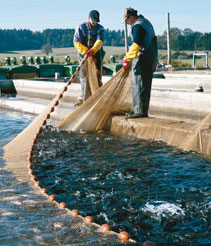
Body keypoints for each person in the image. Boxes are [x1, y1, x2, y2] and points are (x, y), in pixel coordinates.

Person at [122, 7, 158, 118]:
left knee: (138, 83)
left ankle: (139, 112)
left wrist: (127, 59)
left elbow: (136, 45)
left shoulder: (137, 26)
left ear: (131, 17)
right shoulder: (145, 22)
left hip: (143, 58)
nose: (126, 23)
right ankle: (142, 111)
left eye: (126, 20)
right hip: (151, 57)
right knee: (145, 85)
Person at [73, 10, 105, 102]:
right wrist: (86, 51)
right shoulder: (81, 27)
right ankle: (86, 99)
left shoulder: (100, 28)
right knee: (84, 77)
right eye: (93, 20)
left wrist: (93, 50)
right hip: (84, 54)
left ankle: (97, 99)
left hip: (96, 53)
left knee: (97, 74)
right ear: (88, 18)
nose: (94, 23)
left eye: (96, 21)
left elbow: (100, 41)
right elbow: (76, 42)